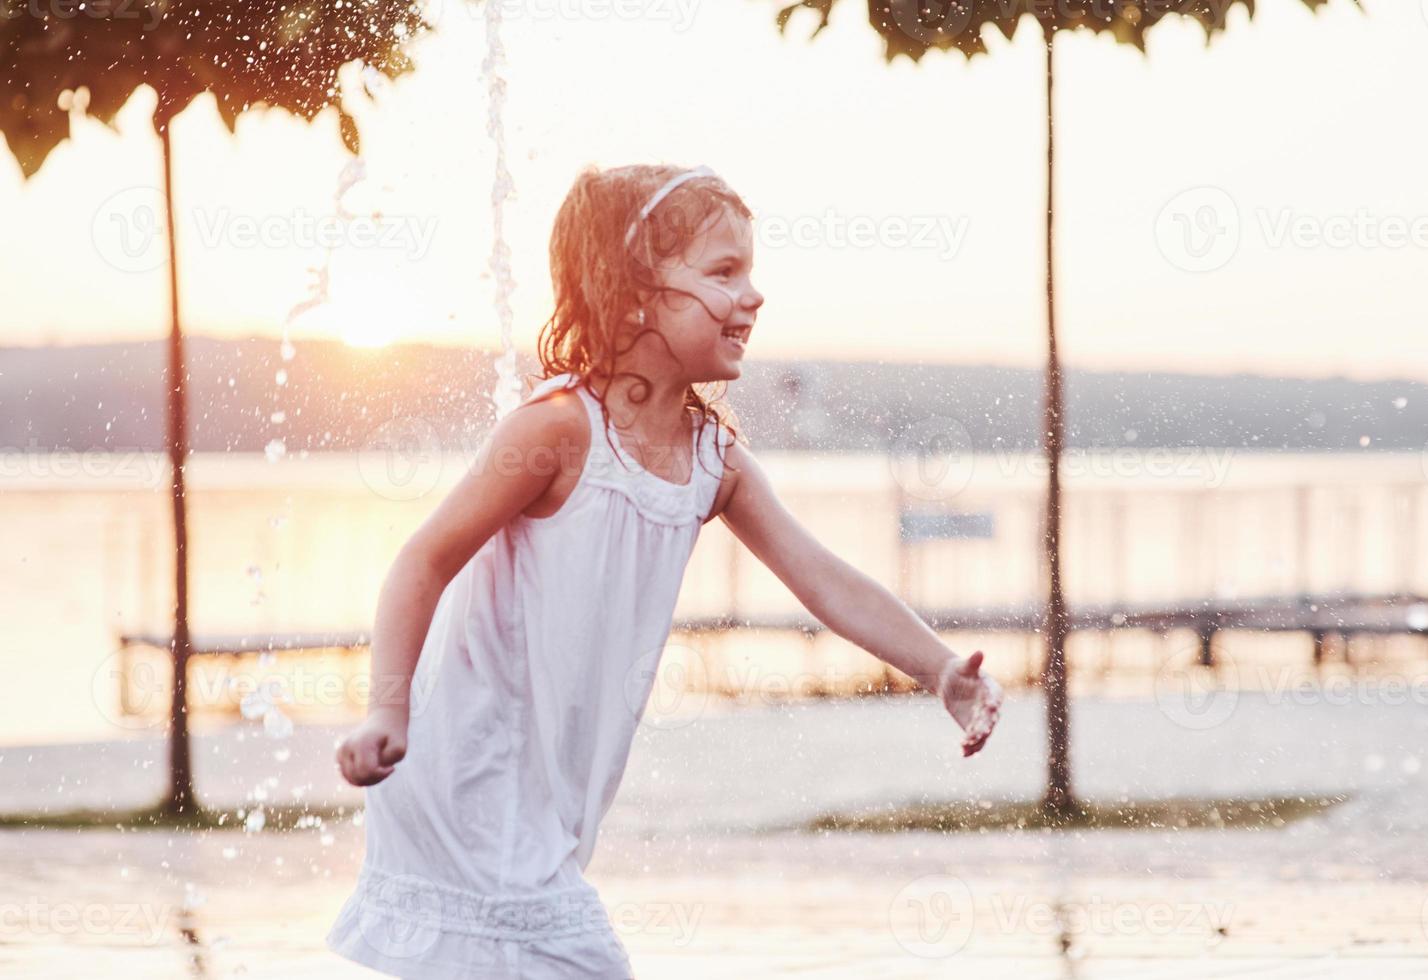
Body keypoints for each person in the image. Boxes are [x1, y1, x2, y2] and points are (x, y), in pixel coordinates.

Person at [326, 163, 1004, 979]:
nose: (752, 296)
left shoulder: (713, 458)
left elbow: (822, 577)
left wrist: (939, 671)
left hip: (546, 795)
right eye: (723, 272)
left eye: (750, 271)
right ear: (636, 292)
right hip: (462, 767)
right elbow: (422, 560)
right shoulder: (557, 431)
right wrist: (385, 712)